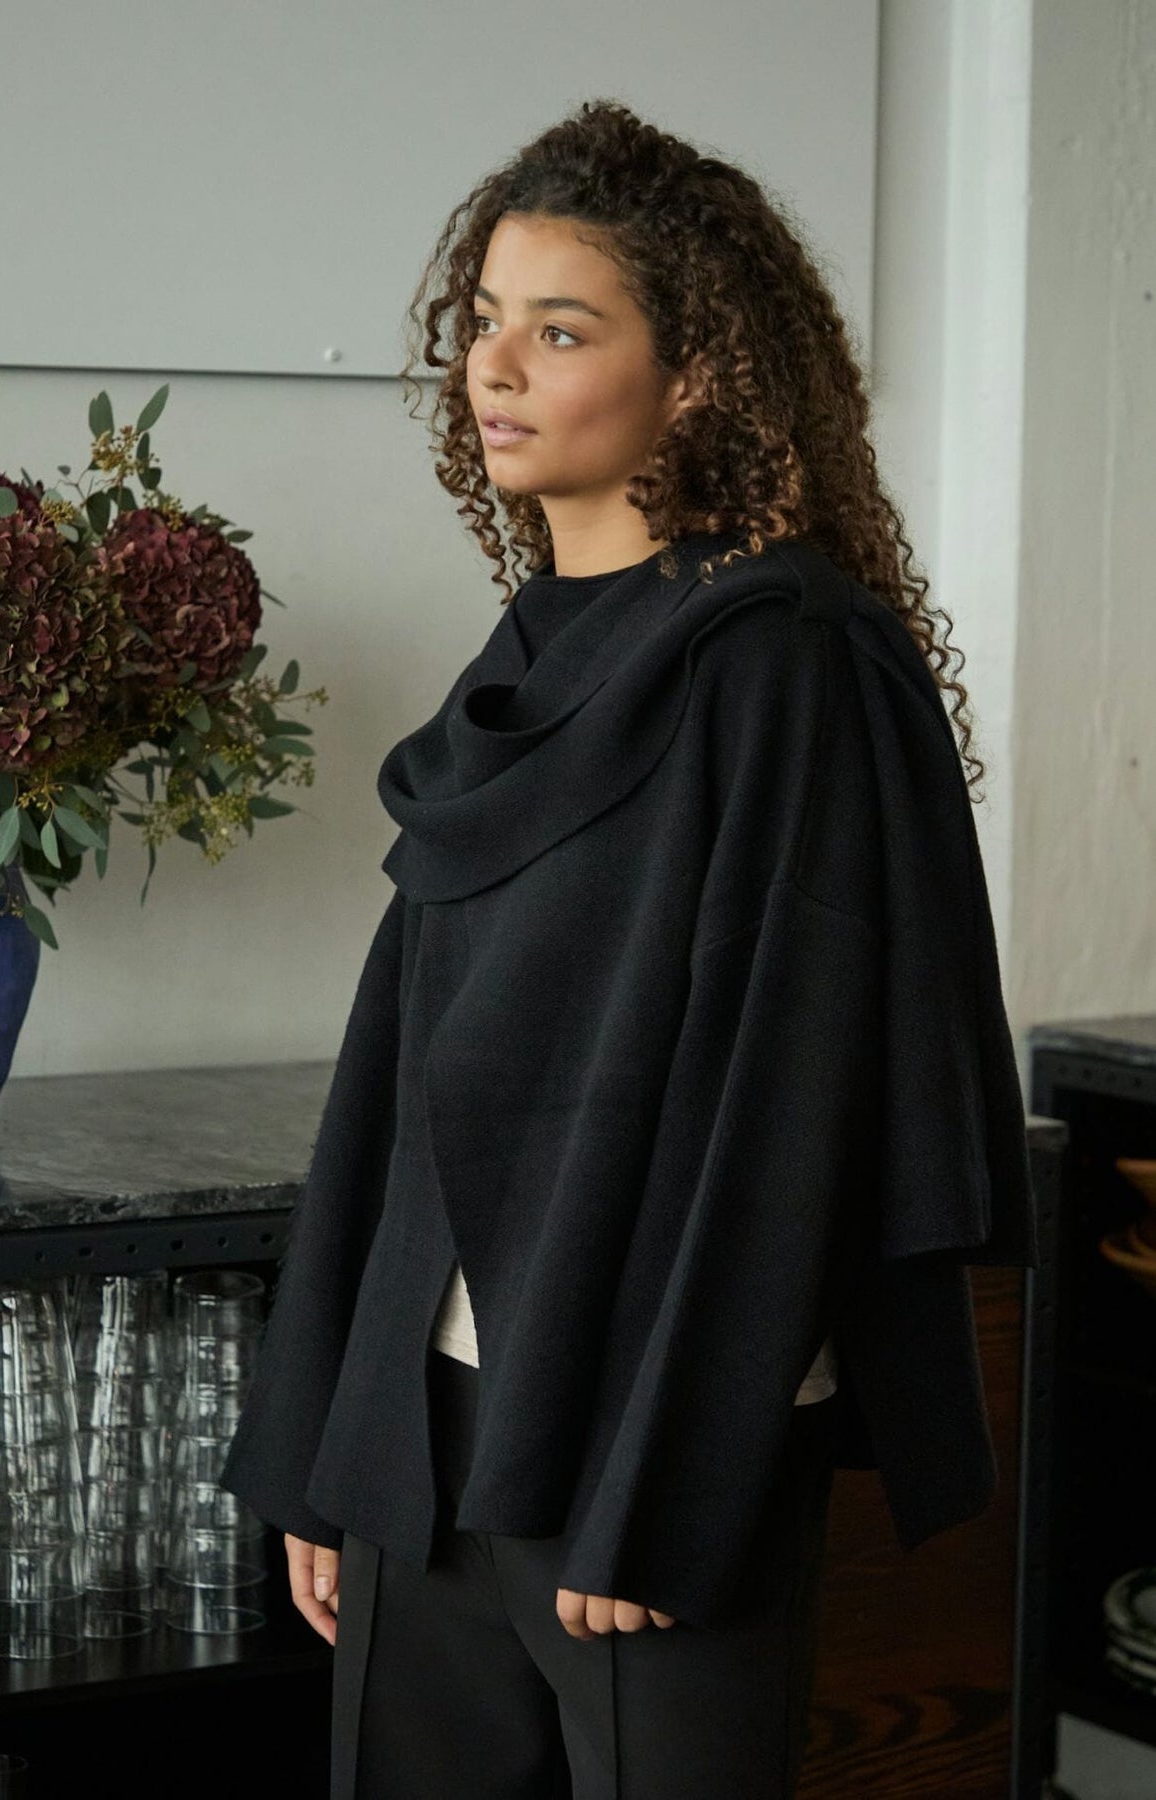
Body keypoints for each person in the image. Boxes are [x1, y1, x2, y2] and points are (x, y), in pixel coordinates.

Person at [220, 99, 1038, 1799]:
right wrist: (330, 1439)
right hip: (427, 1430)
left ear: (698, 378)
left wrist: (668, 1484)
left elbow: (785, 1111)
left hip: (641, 1451)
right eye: (483, 321)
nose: (493, 366)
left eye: (561, 328)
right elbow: (404, 1077)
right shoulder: (526, 653)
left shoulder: (785, 666)